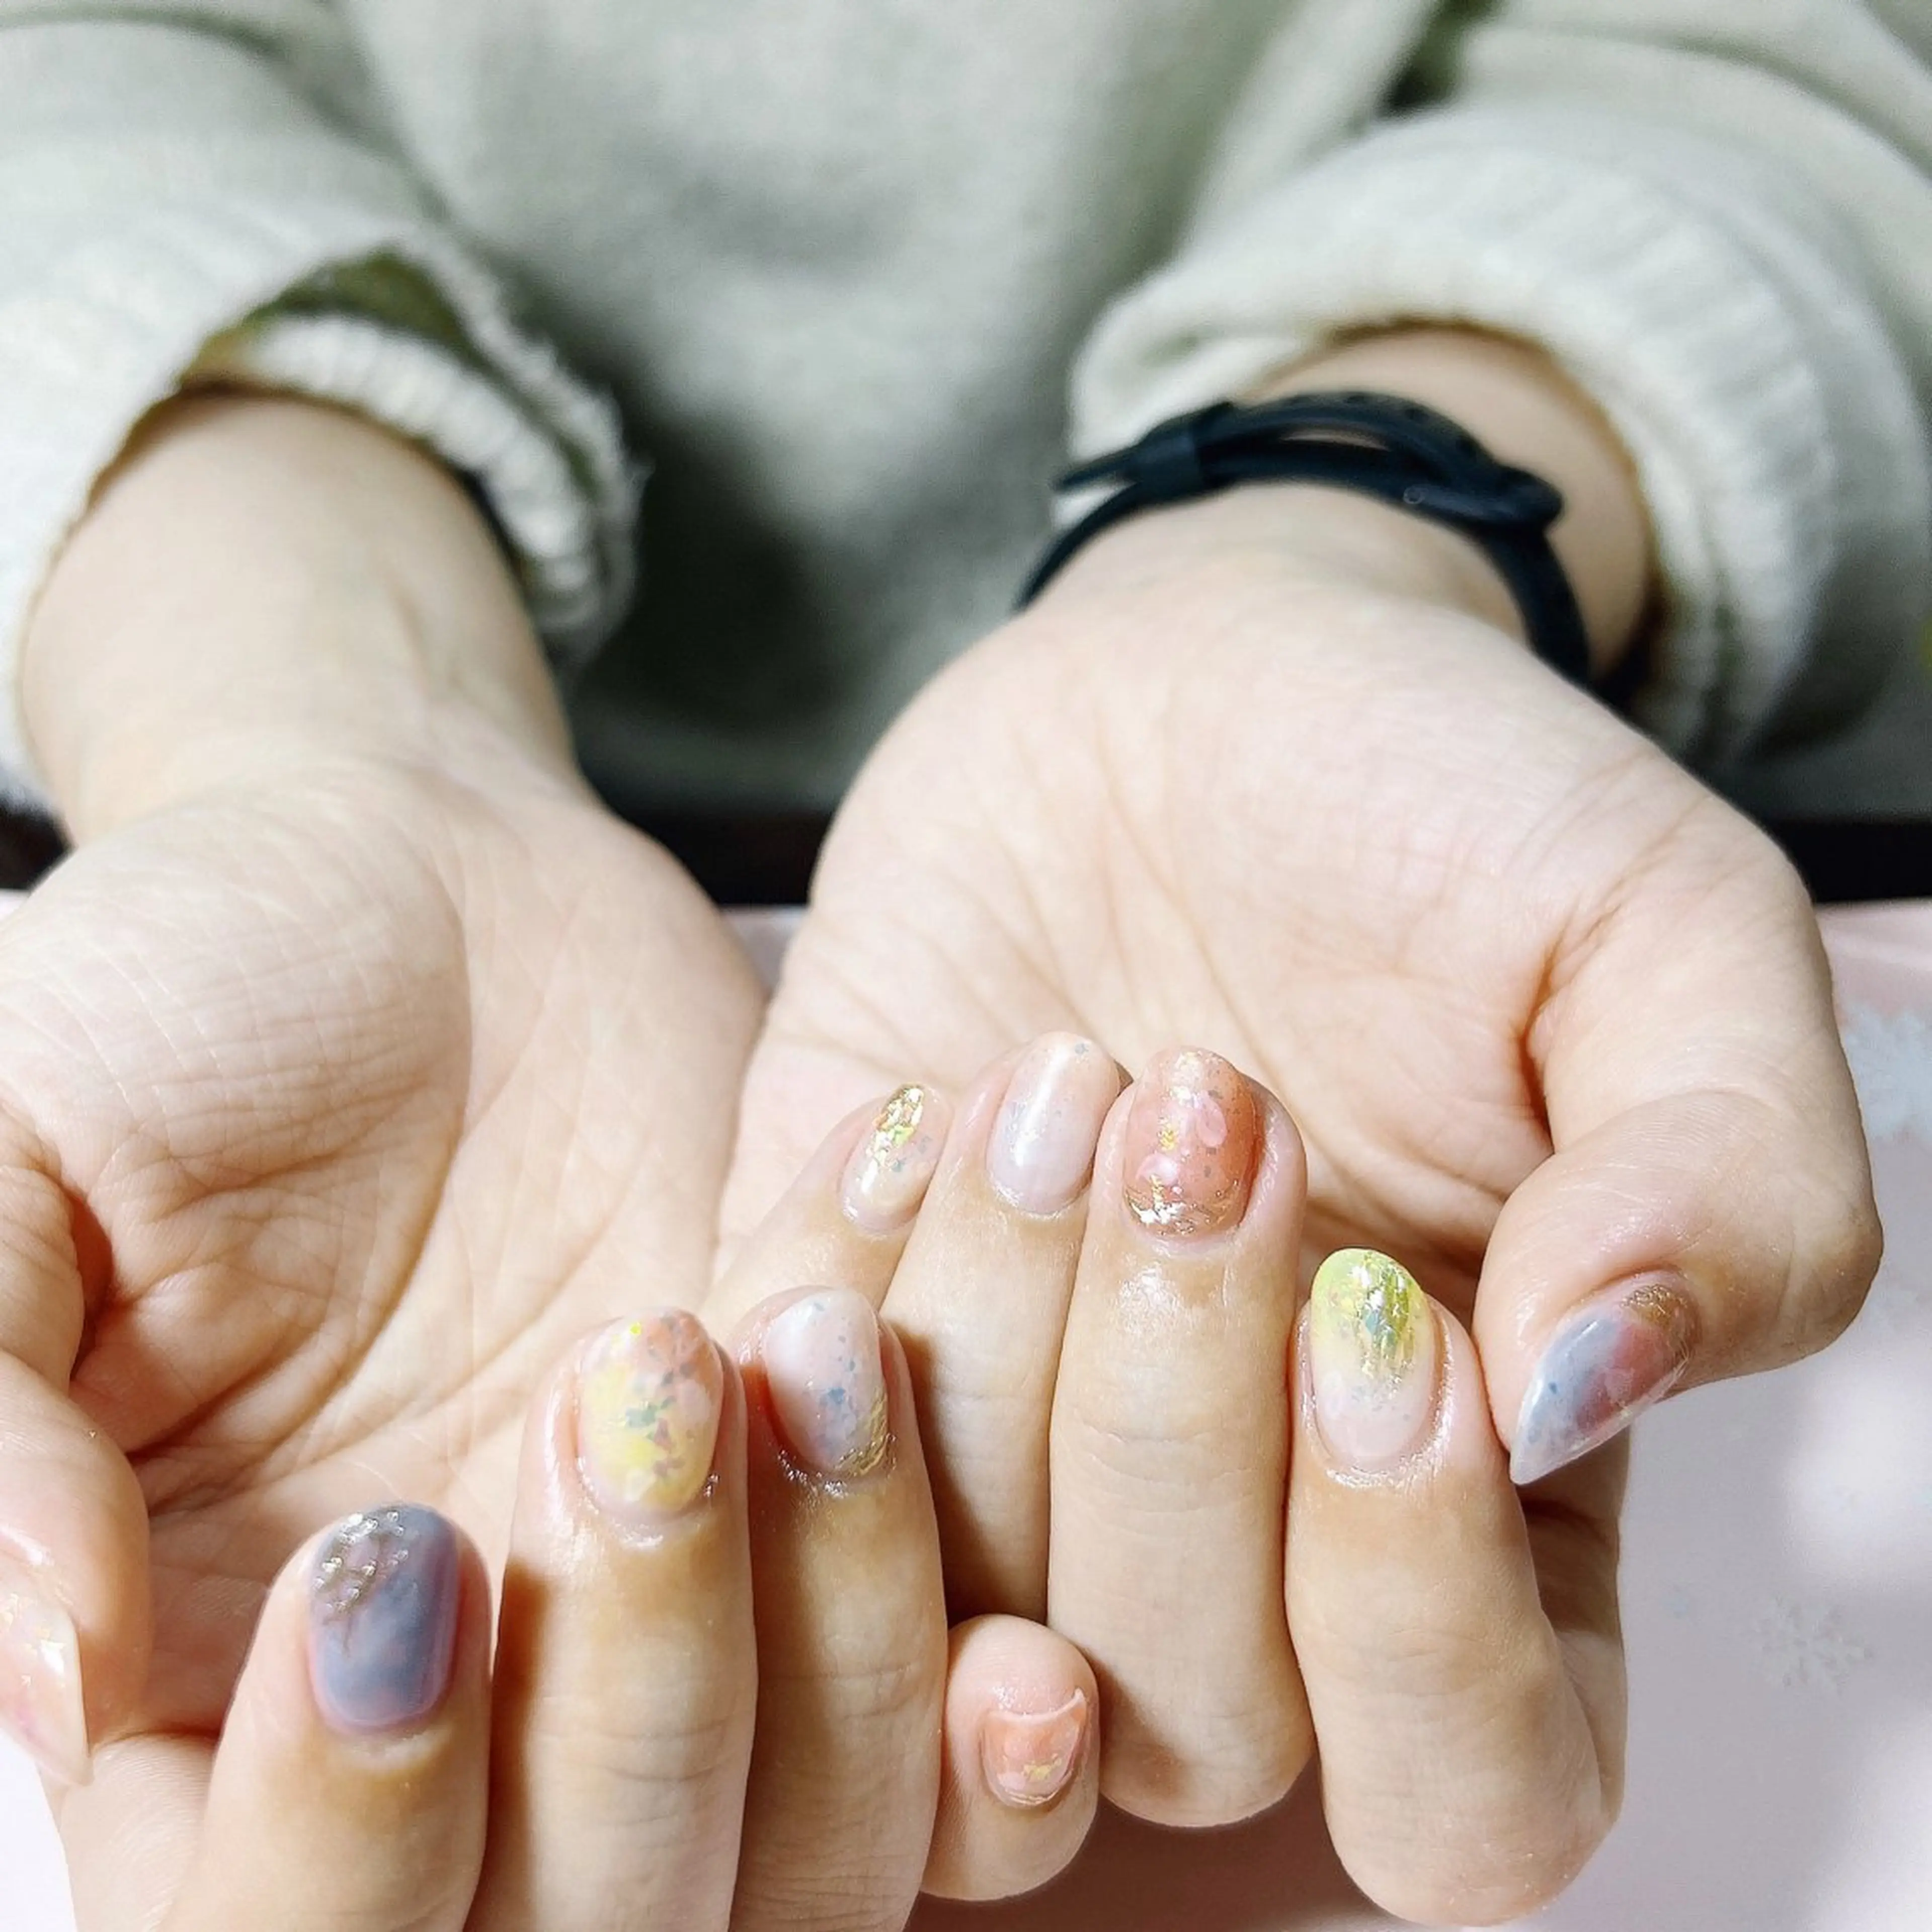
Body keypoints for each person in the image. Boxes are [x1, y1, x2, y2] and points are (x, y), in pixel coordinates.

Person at [1, 2, 1925, 1926]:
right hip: (216, 656)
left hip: (1558, 753)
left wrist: (1336, 545)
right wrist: (304, 709)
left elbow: (1757, 55)